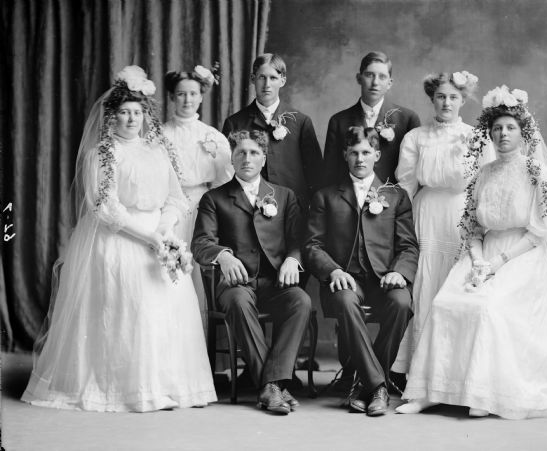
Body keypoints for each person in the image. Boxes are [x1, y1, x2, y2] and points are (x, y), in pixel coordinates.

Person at [396, 86, 547, 419]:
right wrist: (478, 260)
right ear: (488, 134)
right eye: (497, 129)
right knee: (444, 303)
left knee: (489, 308)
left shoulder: (538, 175)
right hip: (483, 253)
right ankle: (430, 391)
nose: (502, 134)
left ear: (523, 132)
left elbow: (540, 233)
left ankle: (483, 392)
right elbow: (472, 228)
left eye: (510, 128)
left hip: (522, 255)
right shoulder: (483, 173)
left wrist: (498, 263)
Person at [21, 66, 217, 412]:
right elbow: (106, 208)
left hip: (159, 234)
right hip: (119, 238)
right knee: (128, 309)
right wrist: (147, 237)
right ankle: (126, 389)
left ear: (145, 116)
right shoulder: (102, 154)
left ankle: (167, 387)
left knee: (166, 309)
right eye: (124, 112)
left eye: (137, 113)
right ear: (111, 116)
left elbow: (176, 197)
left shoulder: (158, 150)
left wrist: (165, 230)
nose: (131, 119)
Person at [192, 130, 311, 415]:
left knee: (301, 301)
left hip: (274, 283)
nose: (247, 158)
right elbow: (201, 242)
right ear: (231, 158)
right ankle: (274, 387)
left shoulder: (283, 196)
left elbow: (298, 240)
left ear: (264, 157)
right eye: (241, 153)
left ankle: (270, 385)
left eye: (254, 152)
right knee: (238, 301)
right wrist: (223, 256)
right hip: (237, 284)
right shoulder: (215, 198)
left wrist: (293, 260)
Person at [305, 126, 419, 416]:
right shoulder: (326, 196)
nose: (359, 158)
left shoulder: (396, 196)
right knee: (344, 298)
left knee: (402, 302)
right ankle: (378, 386)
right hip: (344, 279)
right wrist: (332, 271)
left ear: (377, 155)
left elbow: (408, 247)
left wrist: (399, 273)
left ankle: (363, 384)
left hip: (383, 278)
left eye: (366, 152)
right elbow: (312, 246)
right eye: (354, 152)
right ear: (345, 155)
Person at [392, 71, 494, 373]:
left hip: (461, 216)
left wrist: (481, 226)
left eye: (453, 97)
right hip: (426, 215)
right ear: (432, 99)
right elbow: (406, 185)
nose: (446, 102)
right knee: (426, 286)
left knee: (455, 286)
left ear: (463, 100)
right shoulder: (416, 137)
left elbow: (485, 183)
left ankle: (455, 372)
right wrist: (400, 227)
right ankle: (421, 371)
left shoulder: (477, 137)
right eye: (440, 96)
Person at [163, 66, 234, 329]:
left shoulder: (212, 136)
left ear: (202, 96)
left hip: (203, 209)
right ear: (172, 97)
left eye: (193, 93)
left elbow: (224, 181)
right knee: (170, 272)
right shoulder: (160, 135)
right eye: (181, 94)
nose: (187, 100)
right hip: (168, 210)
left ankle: (200, 349)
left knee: (199, 275)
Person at [222, 53, 323, 215]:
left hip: (294, 209)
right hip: (250, 209)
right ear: (253, 79)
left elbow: (315, 172)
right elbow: (228, 170)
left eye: (273, 78)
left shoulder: (300, 122)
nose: (267, 84)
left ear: (282, 81)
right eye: (262, 77)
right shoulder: (235, 123)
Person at [323, 51, 420, 185]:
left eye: (382, 77)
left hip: (393, 200)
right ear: (359, 78)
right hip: (350, 200)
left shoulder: (408, 119)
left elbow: (414, 171)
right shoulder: (339, 121)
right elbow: (330, 171)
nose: (375, 82)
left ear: (390, 83)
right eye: (369, 75)